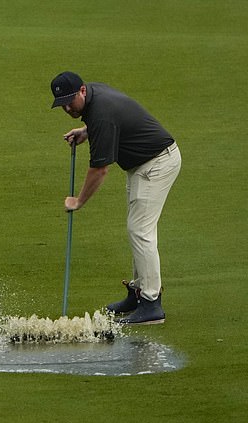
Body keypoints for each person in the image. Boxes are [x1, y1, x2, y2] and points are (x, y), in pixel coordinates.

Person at [50, 71, 181, 324]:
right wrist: (87, 131)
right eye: (62, 104)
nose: (67, 107)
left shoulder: (101, 113)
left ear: (82, 91)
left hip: (157, 164)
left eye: (70, 101)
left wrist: (78, 201)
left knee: (140, 230)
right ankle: (138, 293)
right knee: (137, 228)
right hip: (143, 164)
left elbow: (99, 170)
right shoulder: (95, 97)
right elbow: (112, 119)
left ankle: (152, 304)